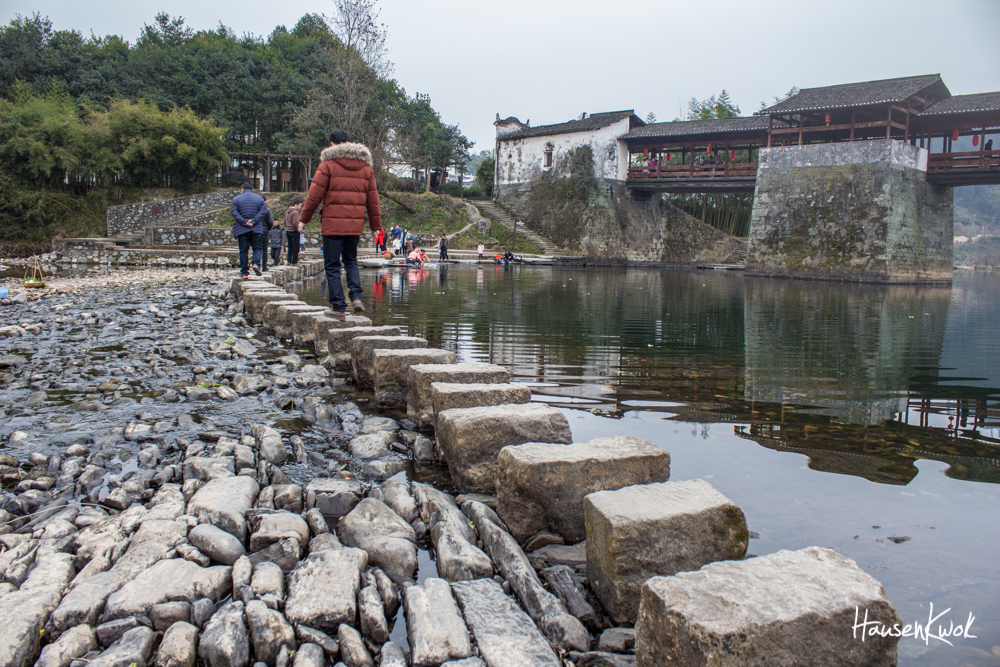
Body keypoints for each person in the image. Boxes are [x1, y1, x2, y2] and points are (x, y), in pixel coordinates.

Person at [299, 129, 382, 319]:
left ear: (332, 144)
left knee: (332, 265)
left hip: (332, 225)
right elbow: (373, 200)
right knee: (351, 261)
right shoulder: (366, 168)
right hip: (354, 226)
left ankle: (338, 307)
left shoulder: (327, 165)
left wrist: (304, 220)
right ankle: (356, 297)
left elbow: (314, 196)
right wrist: (375, 226)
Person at [231, 182, 268, 278]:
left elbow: (234, 212)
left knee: (243, 251)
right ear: (252, 189)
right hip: (256, 228)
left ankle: (244, 272)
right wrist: (253, 220)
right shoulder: (260, 199)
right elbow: (263, 211)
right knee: (257, 248)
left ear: (242, 189)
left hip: (242, 229)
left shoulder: (236, 199)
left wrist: (244, 221)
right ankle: (256, 264)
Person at [284, 201, 301, 265]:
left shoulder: (287, 211)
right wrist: (298, 229)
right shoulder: (295, 212)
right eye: (299, 205)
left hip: (288, 230)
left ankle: (289, 260)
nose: (300, 207)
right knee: (295, 247)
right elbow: (295, 223)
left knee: (290, 246)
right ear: (295, 205)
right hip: (294, 231)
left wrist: (287, 227)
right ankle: (295, 261)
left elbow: (284, 221)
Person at [260, 206, 275, 272]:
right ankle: (264, 266)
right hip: (265, 231)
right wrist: (268, 229)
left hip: (256, 231)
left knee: (256, 248)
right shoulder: (267, 210)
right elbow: (270, 221)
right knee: (264, 249)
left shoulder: (256, 209)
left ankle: (256, 264)